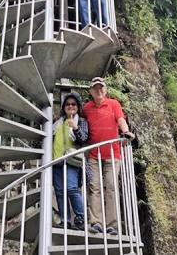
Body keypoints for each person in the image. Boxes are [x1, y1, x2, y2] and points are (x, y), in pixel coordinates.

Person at [82, 77, 134, 235]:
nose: (99, 91)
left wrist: (125, 132)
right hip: (93, 155)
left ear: (105, 90)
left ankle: (112, 225)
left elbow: (121, 120)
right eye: (96, 88)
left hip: (113, 154)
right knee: (94, 187)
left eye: (101, 88)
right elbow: (81, 124)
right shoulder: (86, 108)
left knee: (111, 187)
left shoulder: (114, 104)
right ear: (90, 91)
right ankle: (96, 222)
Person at [52, 92, 89, 229]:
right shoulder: (57, 123)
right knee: (60, 191)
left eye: (73, 104)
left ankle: (80, 218)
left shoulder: (81, 121)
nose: (70, 106)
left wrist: (75, 127)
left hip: (72, 160)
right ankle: (65, 220)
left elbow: (84, 138)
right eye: (67, 104)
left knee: (72, 188)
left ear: (78, 107)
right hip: (56, 161)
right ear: (63, 107)